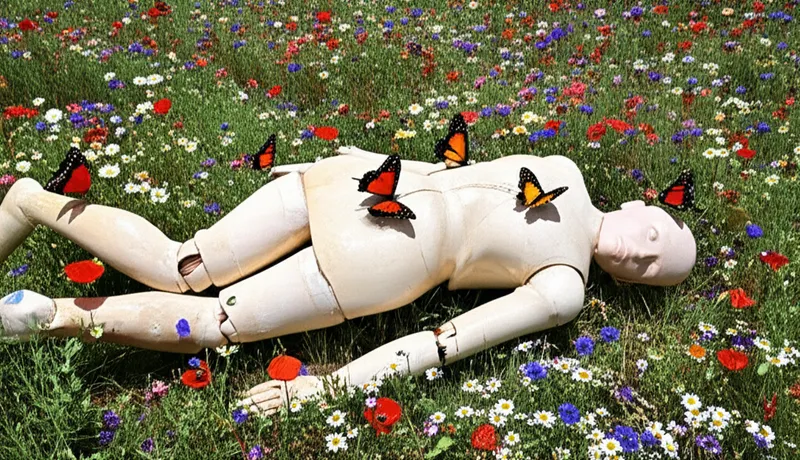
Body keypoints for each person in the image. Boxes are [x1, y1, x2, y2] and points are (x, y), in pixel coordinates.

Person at [0, 146, 696, 415]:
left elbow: (446, 340)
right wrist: (356, 158)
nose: (641, 258)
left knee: (205, 302)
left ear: (634, 286)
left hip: (375, 237)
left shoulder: (565, 287)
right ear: (645, 209)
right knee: (194, 285)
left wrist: (332, 384)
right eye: (655, 240)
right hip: (363, 198)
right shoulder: (565, 169)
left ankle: (53, 300)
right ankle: (32, 211)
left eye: (653, 272)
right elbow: (451, 173)